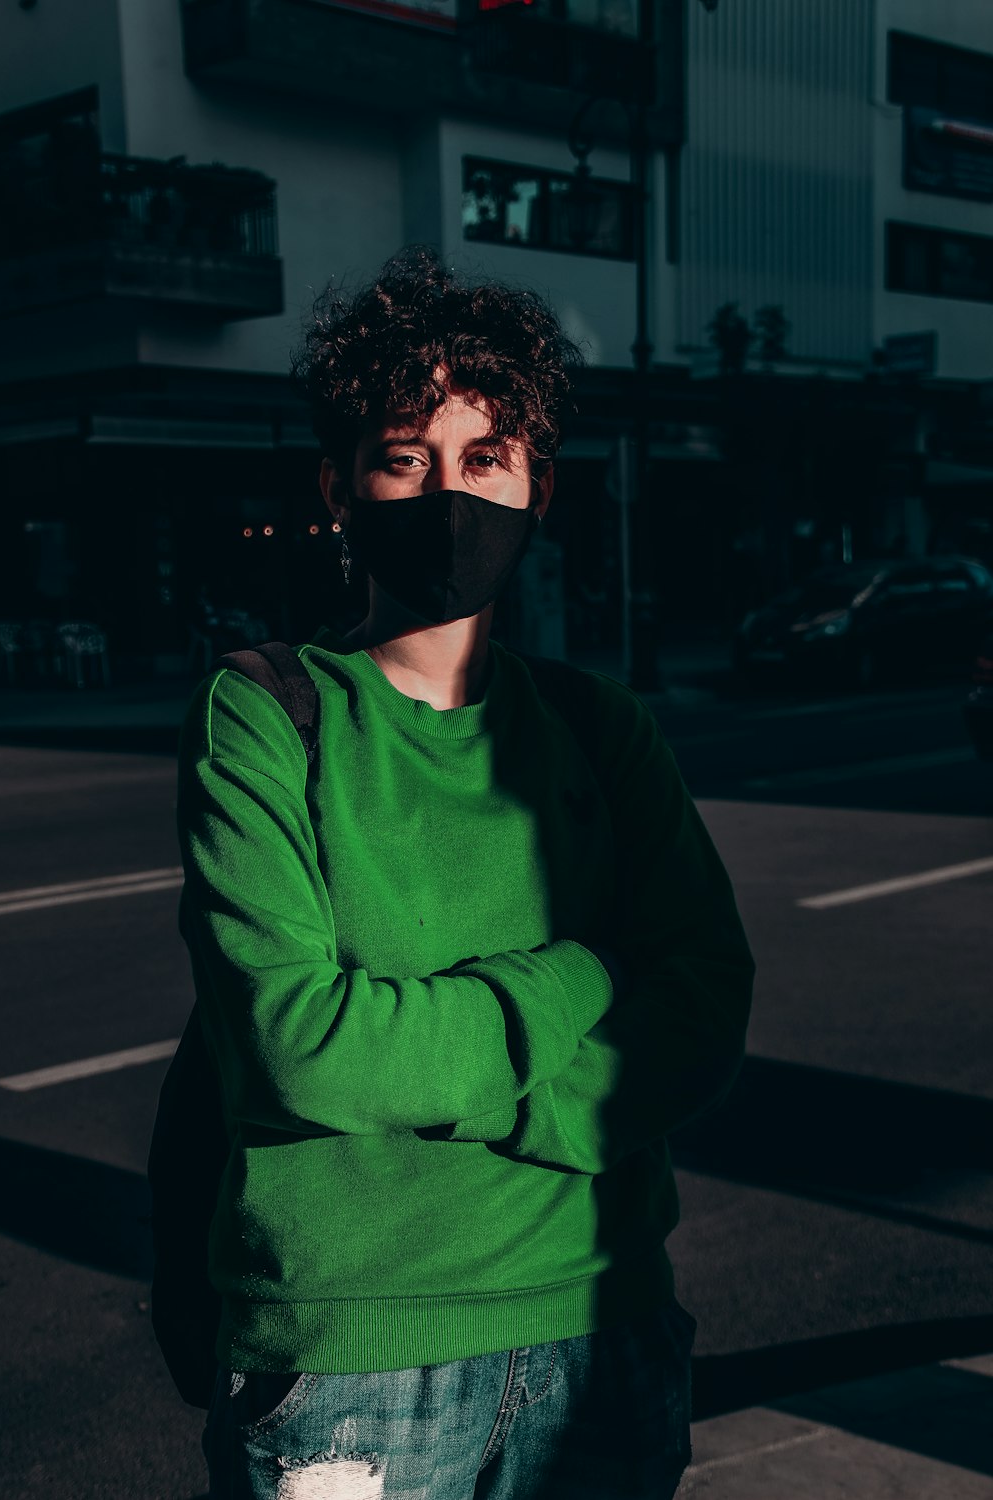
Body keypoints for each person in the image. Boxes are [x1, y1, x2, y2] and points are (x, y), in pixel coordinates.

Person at [177, 248, 754, 1500]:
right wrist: (577, 977)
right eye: (405, 457)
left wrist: (457, 1092)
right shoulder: (267, 714)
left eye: (485, 458)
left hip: (602, 1331)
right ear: (338, 489)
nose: (451, 494)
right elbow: (303, 1043)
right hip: (352, 1366)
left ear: (539, 489)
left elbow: (704, 1008)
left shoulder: (603, 730)